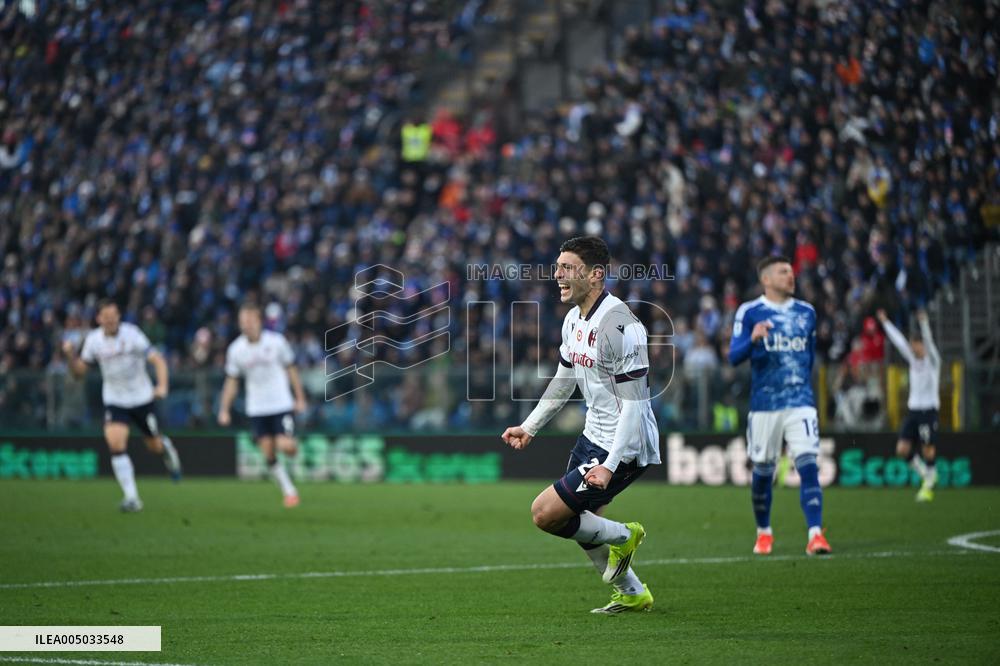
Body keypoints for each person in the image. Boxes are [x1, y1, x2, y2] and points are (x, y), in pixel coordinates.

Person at [501, 236, 661, 614]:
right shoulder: (573, 319)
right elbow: (564, 379)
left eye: (567, 267)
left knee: (545, 513)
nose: (557, 275)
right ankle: (633, 593)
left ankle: (626, 535)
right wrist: (530, 426)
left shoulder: (622, 327)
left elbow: (635, 405)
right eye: (557, 267)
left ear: (595, 275)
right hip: (593, 436)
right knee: (579, 521)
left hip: (625, 444)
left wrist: (610, 463)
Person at [728, 257, 831, 556]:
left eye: (792, 271)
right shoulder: (750, 312)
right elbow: (734, 356)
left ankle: (815, 535)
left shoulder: (807, 312)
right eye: (783, 272)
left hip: (801, 401)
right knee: (762, 470)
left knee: (808, 464)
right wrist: (753, 339)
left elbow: (809, 357)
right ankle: (764, 533)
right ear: (767, 279)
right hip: (764, 404)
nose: (791, 276)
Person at [62, 300, 182, 512]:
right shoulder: (93, 341)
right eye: (105, 317)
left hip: (142, 398)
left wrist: (162, 386)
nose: (109, 321)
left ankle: (165, 447)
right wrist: (71, 356)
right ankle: (132, 498)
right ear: (98, 319)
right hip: (115, 400)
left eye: (113, 316)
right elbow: (79, 373)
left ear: (119, 316)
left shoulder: (133, 334)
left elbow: (158, 360)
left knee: (153, 446)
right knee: (116, 444)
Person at [218, 304, 307, 508]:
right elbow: (232, 382)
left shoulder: (276, 342)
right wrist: (224, 409)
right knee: (268, 453)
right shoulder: (236, 350)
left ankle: (293, 447)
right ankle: (289, 491)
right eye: (242, 322)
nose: (246, 326)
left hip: (281, 405)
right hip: (257, 408)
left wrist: (299, 397)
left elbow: (292, 370)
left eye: (249, 321)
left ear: (259, 321)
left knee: (285, 446)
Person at [876, 308, 941, 501]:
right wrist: (885, 322)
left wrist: (924, 323)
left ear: (923, 345)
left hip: (929, 411)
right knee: (902, 449)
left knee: (927, 449)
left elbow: (929, 343)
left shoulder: (933, 362)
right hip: (913, 411)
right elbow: (898, 342)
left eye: (917, 345)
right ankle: (926, 475)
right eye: (912, 346)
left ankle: (928, 485)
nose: (913, 349)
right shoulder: (913, 360)